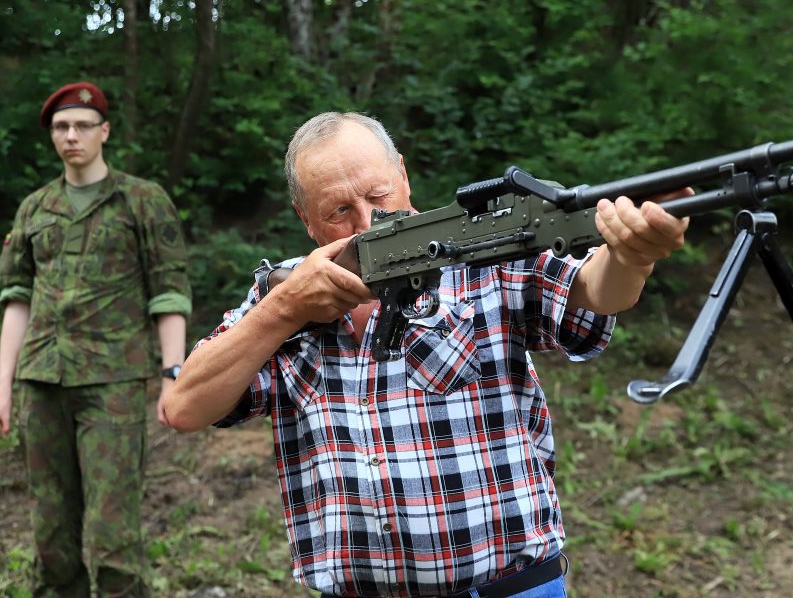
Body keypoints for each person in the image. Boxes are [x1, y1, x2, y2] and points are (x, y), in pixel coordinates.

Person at [163, 112, 690, 598]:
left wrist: (630, 254)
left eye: (378, 195)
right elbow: (184, 407)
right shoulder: (287, 294)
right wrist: (281, 311)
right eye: (340, 211)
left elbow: (594, 292)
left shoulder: (480, 248)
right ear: (306, 219)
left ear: (404, 176)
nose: (367, 224)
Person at [0, 82, 192, 597]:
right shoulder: (35, 209)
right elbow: (16, 298)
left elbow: (169, 293)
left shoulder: (142, 201)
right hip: (41, 380)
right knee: (50, 534)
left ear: (104, 131)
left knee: (114, 535)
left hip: (113, 381)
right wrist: (3, 386)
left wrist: (172, 375)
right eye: (62, 127)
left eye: (83, 125)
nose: (71, 135)